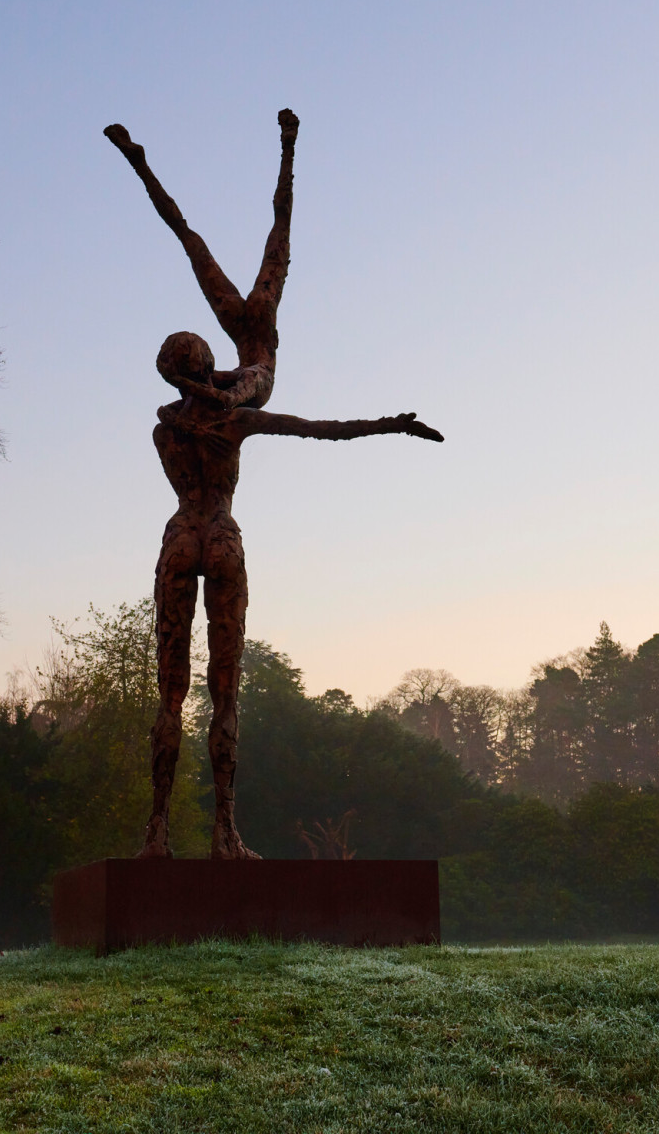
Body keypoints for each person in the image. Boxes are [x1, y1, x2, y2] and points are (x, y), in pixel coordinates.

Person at [143, 330, 442, 859]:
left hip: (181, 535)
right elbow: (317, 430)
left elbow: (178, 413)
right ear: (208, 366)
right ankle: (225, 832)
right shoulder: (234, 420)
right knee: (225, 691)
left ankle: (157, 834)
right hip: (220, 534)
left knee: (170, 693)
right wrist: (389, 425)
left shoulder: (164, 431)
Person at [104, 109, 298, 409]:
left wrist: (191, 387)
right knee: (192, 238)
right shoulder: (253, 379)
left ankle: (140, 165)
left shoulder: (240, 376)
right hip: (251, 348)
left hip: (246, 329)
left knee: (193, 239)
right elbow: (241, 383)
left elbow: (225, 383)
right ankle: (288, 146)